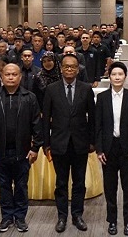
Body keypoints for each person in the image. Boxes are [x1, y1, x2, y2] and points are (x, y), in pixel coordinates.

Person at [0, 63, 43, 233]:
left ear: (20, 77)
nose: (11, 77)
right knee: (4, 186)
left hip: (23, 152)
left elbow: (37, 125)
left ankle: (20, 217)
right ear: (2, 77)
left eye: (14, 74)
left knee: (21, 186)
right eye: (7, 74)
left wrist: (35, 148)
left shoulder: (29, 97)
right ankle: (7, 217)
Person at [42, 54, 96, 233]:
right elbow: (45, 119)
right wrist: (46, 144)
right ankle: (62, 216)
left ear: (78, 69)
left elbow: (92, 118)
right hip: (59, 143)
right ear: (61, 68)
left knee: (79, 182)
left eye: (73, 67)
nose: (69, 69)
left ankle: (77, 215)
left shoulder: (86, 88)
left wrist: (92, 142)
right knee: (61, 183)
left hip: (80, 143)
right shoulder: (51, 89)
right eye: (66, 66)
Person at [95, 62, 128, 236]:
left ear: (125, 77)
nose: (117, 77)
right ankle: (112, 221)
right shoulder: (102, 97)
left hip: (127, 148)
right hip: (108, 148)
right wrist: (99, 150)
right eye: (114, 74)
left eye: (120, 74)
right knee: (110, 187)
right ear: (109, 77)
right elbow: (98, 126)